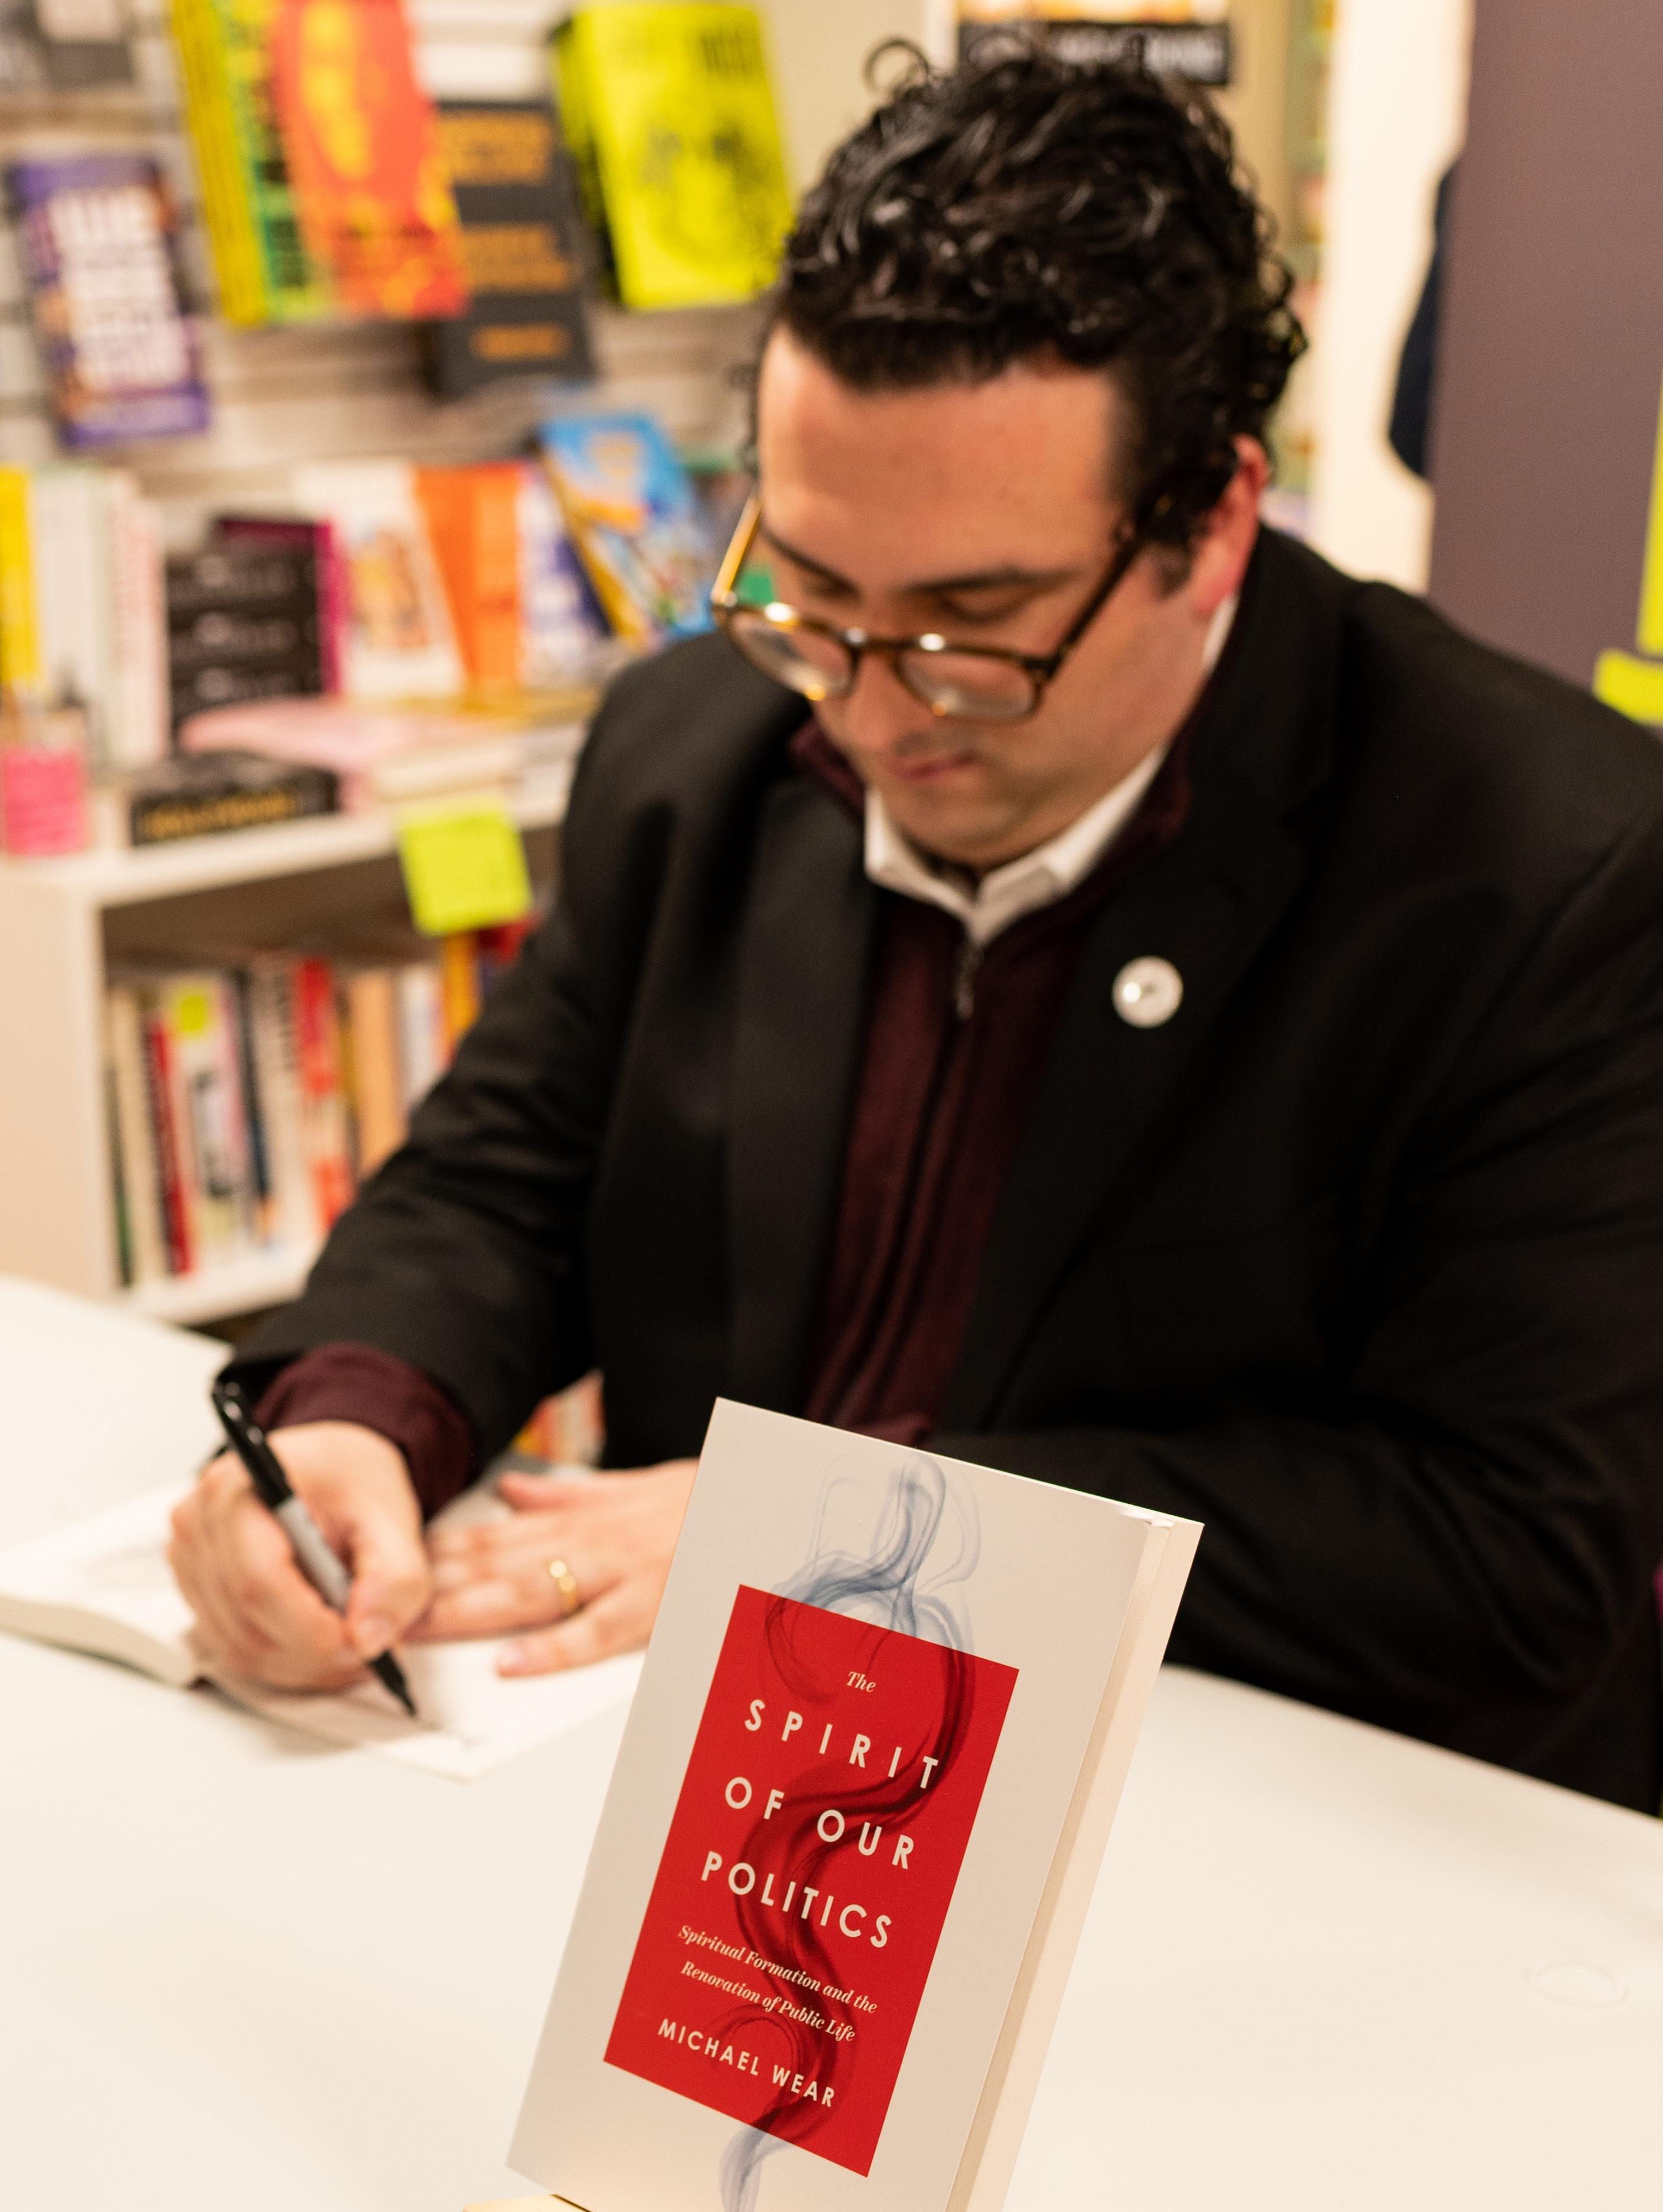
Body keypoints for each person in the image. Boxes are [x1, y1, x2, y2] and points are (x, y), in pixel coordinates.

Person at [170, 44, 1663, 1810]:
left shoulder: (1551, 873)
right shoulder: (694, 747)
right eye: (810, 592)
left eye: (974, 625)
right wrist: (355, 1415)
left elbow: (1502, 1552)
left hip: (1257, 1828)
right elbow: (507, 1178)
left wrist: (836, 1533)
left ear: (1211, 528)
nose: (874, 713)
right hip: (689, 1787)